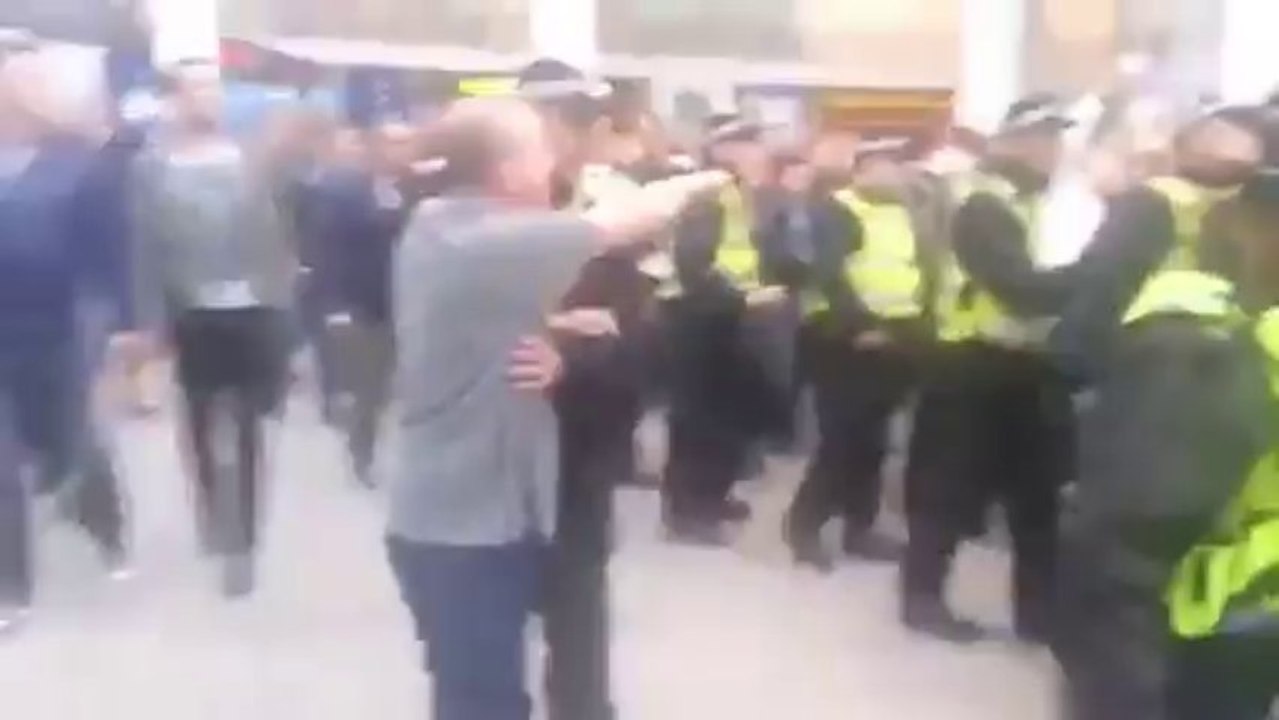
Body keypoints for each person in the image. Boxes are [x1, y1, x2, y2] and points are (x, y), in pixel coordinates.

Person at [384, 96, 728, 720]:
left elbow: (484, 317)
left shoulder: (443, 223)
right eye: (541, 148)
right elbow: (632, 219)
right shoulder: (485, 238)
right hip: (464, 525)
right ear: (506, 170)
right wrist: (702, 177)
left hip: (501, 510)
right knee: (483, 704)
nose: (557, 159)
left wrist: (560, 331)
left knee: (497, 689)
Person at [1051, 105, 1279, 719]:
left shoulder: (1200, 335)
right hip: (1237, 599)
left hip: (1214, 602)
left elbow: (1141, 524)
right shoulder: (1208, 334)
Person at [900, 96, 1078, 644]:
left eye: (1056, 138)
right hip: (970, 368)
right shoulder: (982, 203)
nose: (1053, 150)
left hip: (1024, 366)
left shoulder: (1028, 202)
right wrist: (1098, 276)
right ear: (1010, 142)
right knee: (949, 490)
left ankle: (1039, 616)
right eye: (1042, 138)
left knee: (1037, 497)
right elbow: (1018, 288)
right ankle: (922, 599)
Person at [130, 60, 295, 598]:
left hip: (252, 306)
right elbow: (143, 245)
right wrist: (148, 320)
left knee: (248, 423)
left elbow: (284, 232)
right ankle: (211, 512)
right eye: (196, 88)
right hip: (190, 308)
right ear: (176, 99)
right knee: (200, 417)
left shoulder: (256, 160)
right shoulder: (153, 164)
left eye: (214, 88)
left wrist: (284, 302)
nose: (208, 98)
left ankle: (242, 539)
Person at [0, 44, 130, 634]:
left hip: (59, 328)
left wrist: (112, 331)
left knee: (70, 442)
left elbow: (108, 258)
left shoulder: (79, 165)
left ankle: (104, 523)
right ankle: (10, 589)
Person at [785, 137, 941, 571]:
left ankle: (860, 526)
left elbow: (912, 272)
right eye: (885, 165)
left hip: (894, 339)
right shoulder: (838, 210)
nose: (896, 173)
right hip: (845, 341)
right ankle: (804, 526)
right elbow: (830, 275)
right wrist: (864, 326)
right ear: (862, 170)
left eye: (899, 164)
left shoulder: (900, 213)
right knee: (841, 440)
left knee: (872, 442)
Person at [660, 112, 798, 544]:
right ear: (723, 150)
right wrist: (742, 299)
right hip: (699, 320)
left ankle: (712, 493)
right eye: (748, 143)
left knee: (729, 417)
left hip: (732, 318)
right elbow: (694, 262)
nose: (759, 152)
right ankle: (688, 510)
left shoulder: (740, 194)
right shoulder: (707, 195)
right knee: (699, 420)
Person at [312, 121, 417, 486]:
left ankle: (416, 461)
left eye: (406, 143)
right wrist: (333, 305)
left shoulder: (419, 191)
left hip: (414, 301)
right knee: (371, 389)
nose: (400, 151)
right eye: (392, 143)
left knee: (413, 387)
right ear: (375, 148)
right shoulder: (347, 191)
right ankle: (363, 452)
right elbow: (329, 250)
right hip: (366, 303)